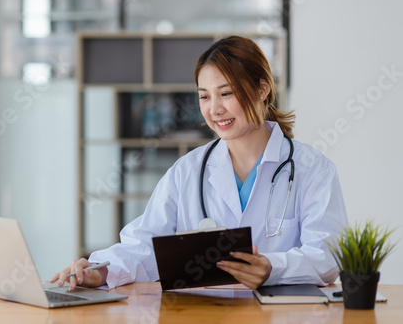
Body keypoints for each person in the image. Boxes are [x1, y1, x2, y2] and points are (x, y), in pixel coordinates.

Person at [51, 35, 348, 291]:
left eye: (227, 93)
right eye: (204, 96)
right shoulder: (187, 171)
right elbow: (144, 247)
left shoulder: (312, 169)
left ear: (262, 89)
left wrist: (272, 267)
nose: (214, 109)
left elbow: (328, 255)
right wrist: (99, 270)